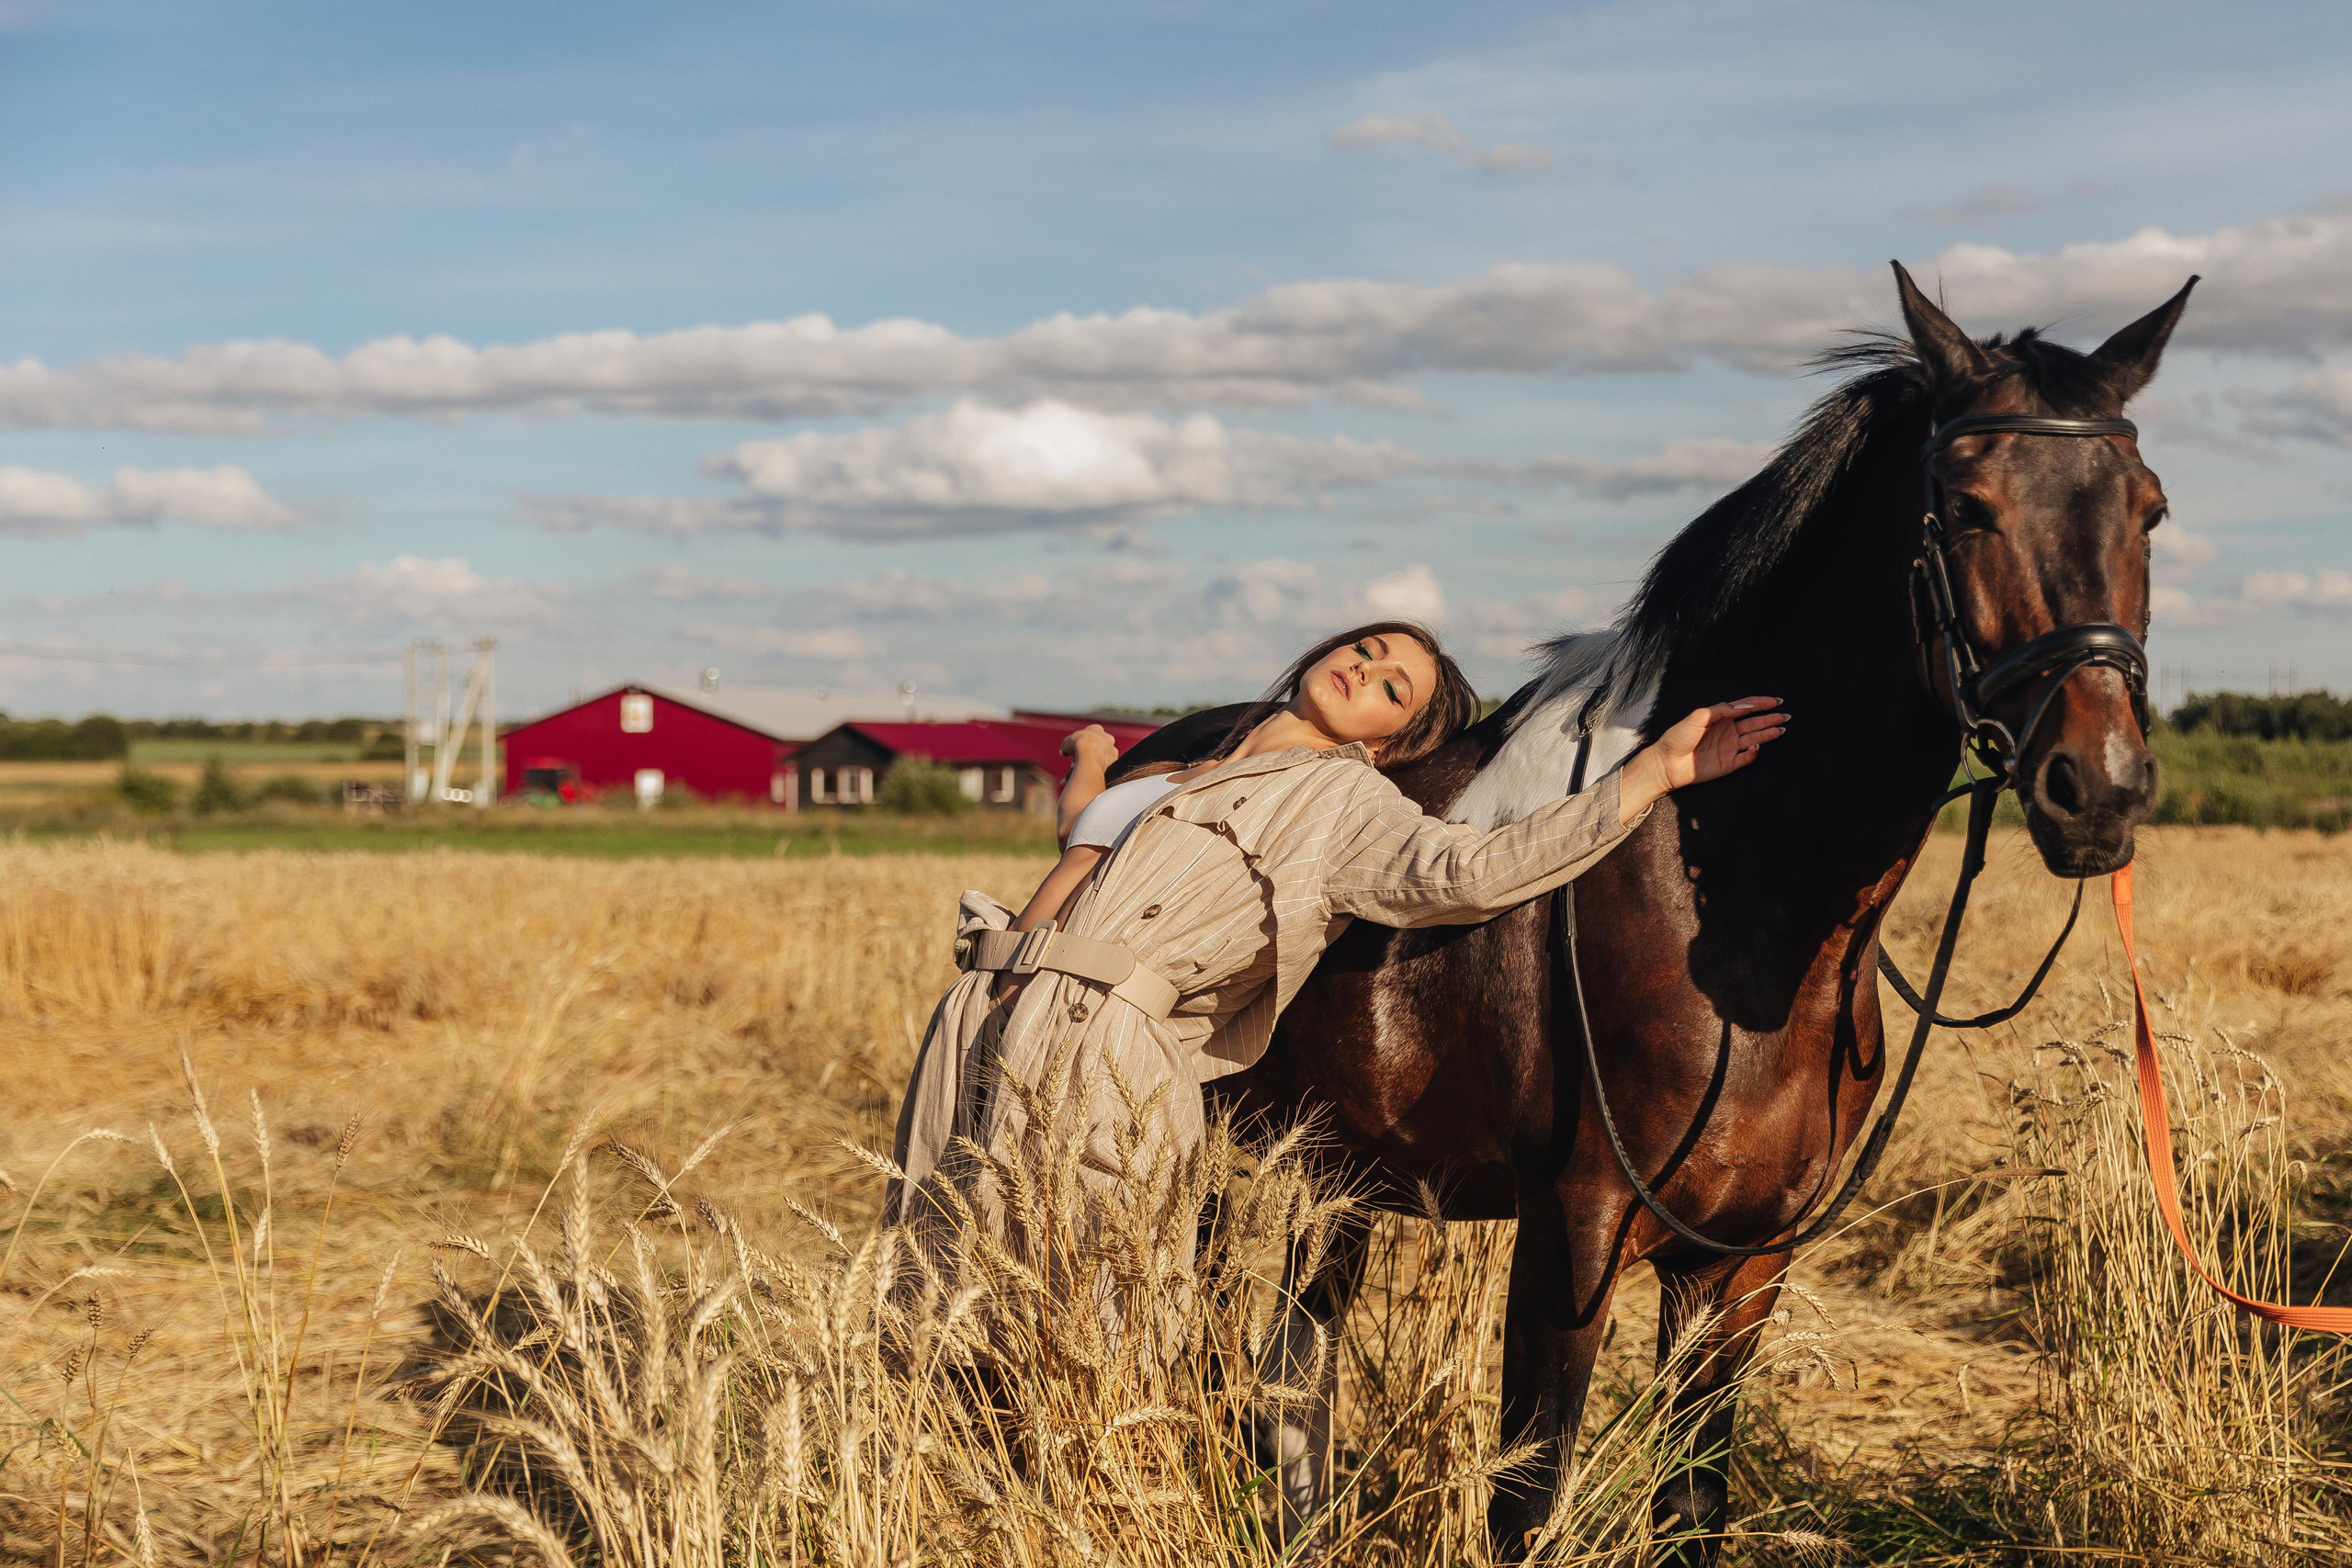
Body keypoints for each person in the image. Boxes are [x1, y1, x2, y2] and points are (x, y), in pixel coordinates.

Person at [884, 619, 1785, 1260]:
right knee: (928, 1281)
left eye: (1395, 687)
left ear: (1396, 739)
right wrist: (1089, 759)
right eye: (1367, 649)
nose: (1367, 670)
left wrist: (1650, 774)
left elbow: (1472, 872)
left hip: (1102, 1045)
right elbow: (1085, 840)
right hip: (980, 1016)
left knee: (1077, 1303)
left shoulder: (1342, 804)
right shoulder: (1193, 767)